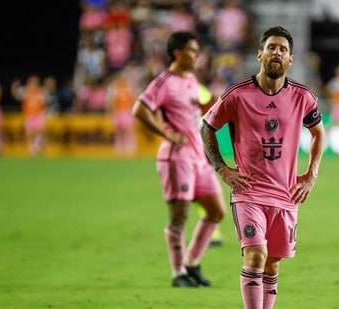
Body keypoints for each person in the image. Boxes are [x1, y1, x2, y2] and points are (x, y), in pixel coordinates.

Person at [201, 25, 326, 309]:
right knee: (256, 255)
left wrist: (311, 175)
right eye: (271, 47)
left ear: (290, 60)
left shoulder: (302, 97)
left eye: (283, 49)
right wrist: (221, 168)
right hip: (248, 191)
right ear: (260, 54)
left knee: (272, 264)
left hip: (285, 194)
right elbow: (207, 127)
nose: (276, 53)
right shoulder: (237, 94)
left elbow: (319, 133)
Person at [132, 31, 226, 287]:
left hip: (198, 156)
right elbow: (139, 109)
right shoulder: (164, 82)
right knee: (179, 215)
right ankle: (178, 273)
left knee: (217, 212)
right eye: (192, 51)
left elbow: (198, 109)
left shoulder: (192, 80)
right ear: (177, 53)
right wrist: (166, 134)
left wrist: (214, 105)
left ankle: (192, 263)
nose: (197, 55)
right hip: (176, 159)